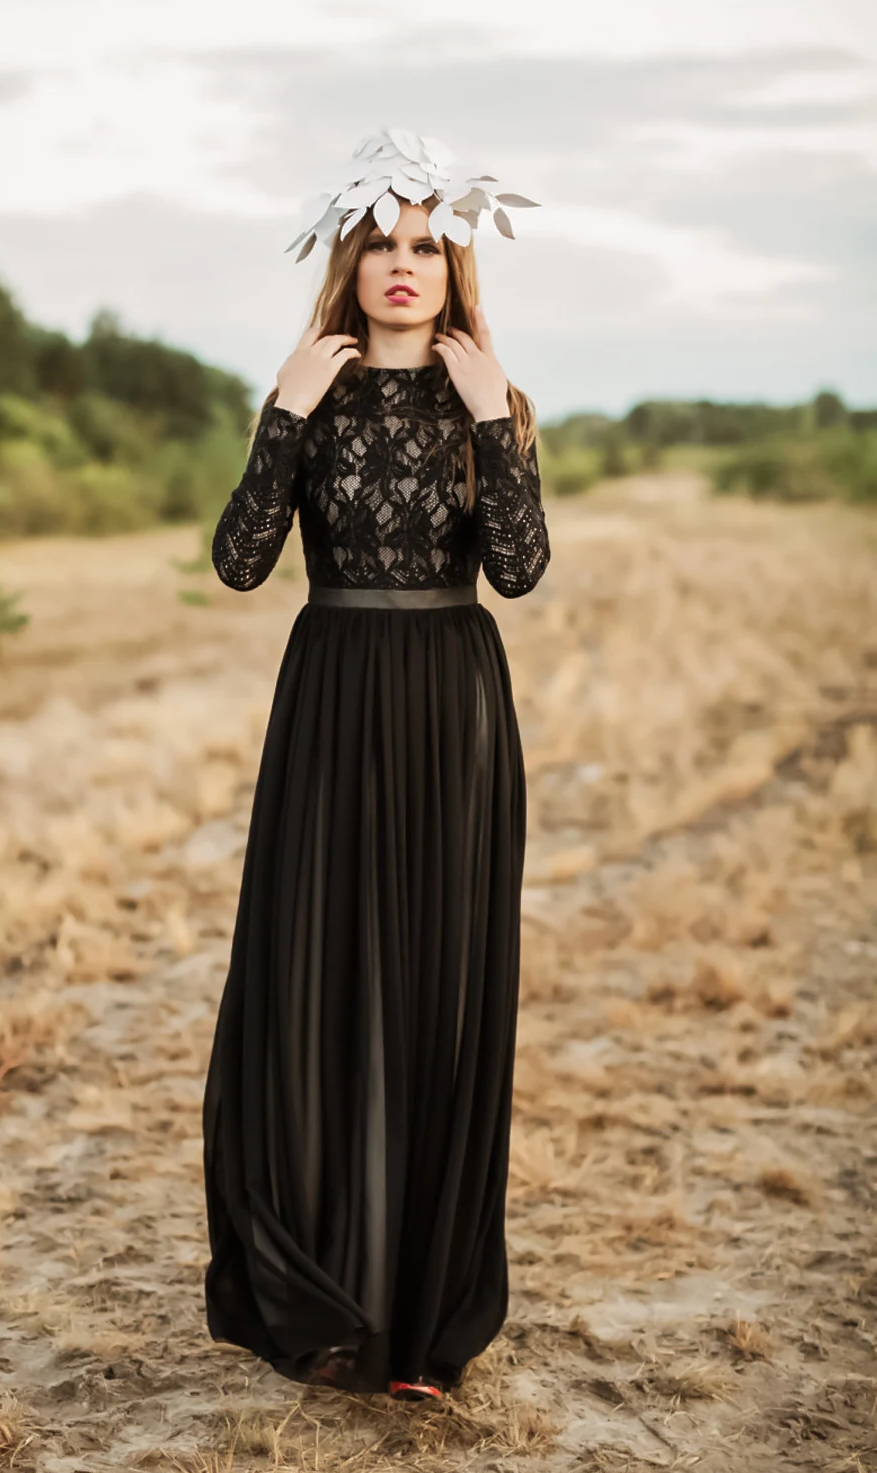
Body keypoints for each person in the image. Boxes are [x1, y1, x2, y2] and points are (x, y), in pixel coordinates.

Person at [201, 127, 551, 1402]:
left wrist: (489, 421)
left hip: (449, 709)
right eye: (381, 247)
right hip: (330, 701)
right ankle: (324, 1305)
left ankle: (423, 1326)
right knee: (317, 980)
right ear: (348, 263)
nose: (403, 268)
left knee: (434, 992)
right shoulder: (306, 394)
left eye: (428, 247)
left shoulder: (493, 403)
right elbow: (241, 564)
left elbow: (517, 572)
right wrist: (283, 418)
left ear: (456, 269)